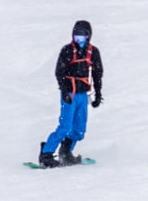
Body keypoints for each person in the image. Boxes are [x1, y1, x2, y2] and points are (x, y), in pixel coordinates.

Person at [38, 19, 104, 168]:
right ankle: (46, 153)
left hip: (82, 95)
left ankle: (66, 151)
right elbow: (59, 72)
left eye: (82, 37)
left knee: (80, 130)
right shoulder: (67, 50)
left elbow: (97, 73)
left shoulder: (93, 52)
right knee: (65, 126)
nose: (78, 41)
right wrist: (64, 91)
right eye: (76, 37)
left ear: (88, 37)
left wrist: (98, 93)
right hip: (70, 94)